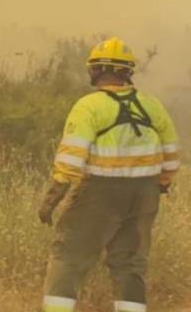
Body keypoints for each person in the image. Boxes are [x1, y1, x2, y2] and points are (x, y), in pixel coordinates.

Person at [39, 37, 179, 312]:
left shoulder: (89, 106)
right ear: (128, 72)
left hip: (99, 194)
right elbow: (172, 155)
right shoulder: (152, 106)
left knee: (68, 256)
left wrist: (53, 197)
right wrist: (161, 184)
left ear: (94, 70)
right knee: (130, 264)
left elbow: (71, 157)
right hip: (145, 194)